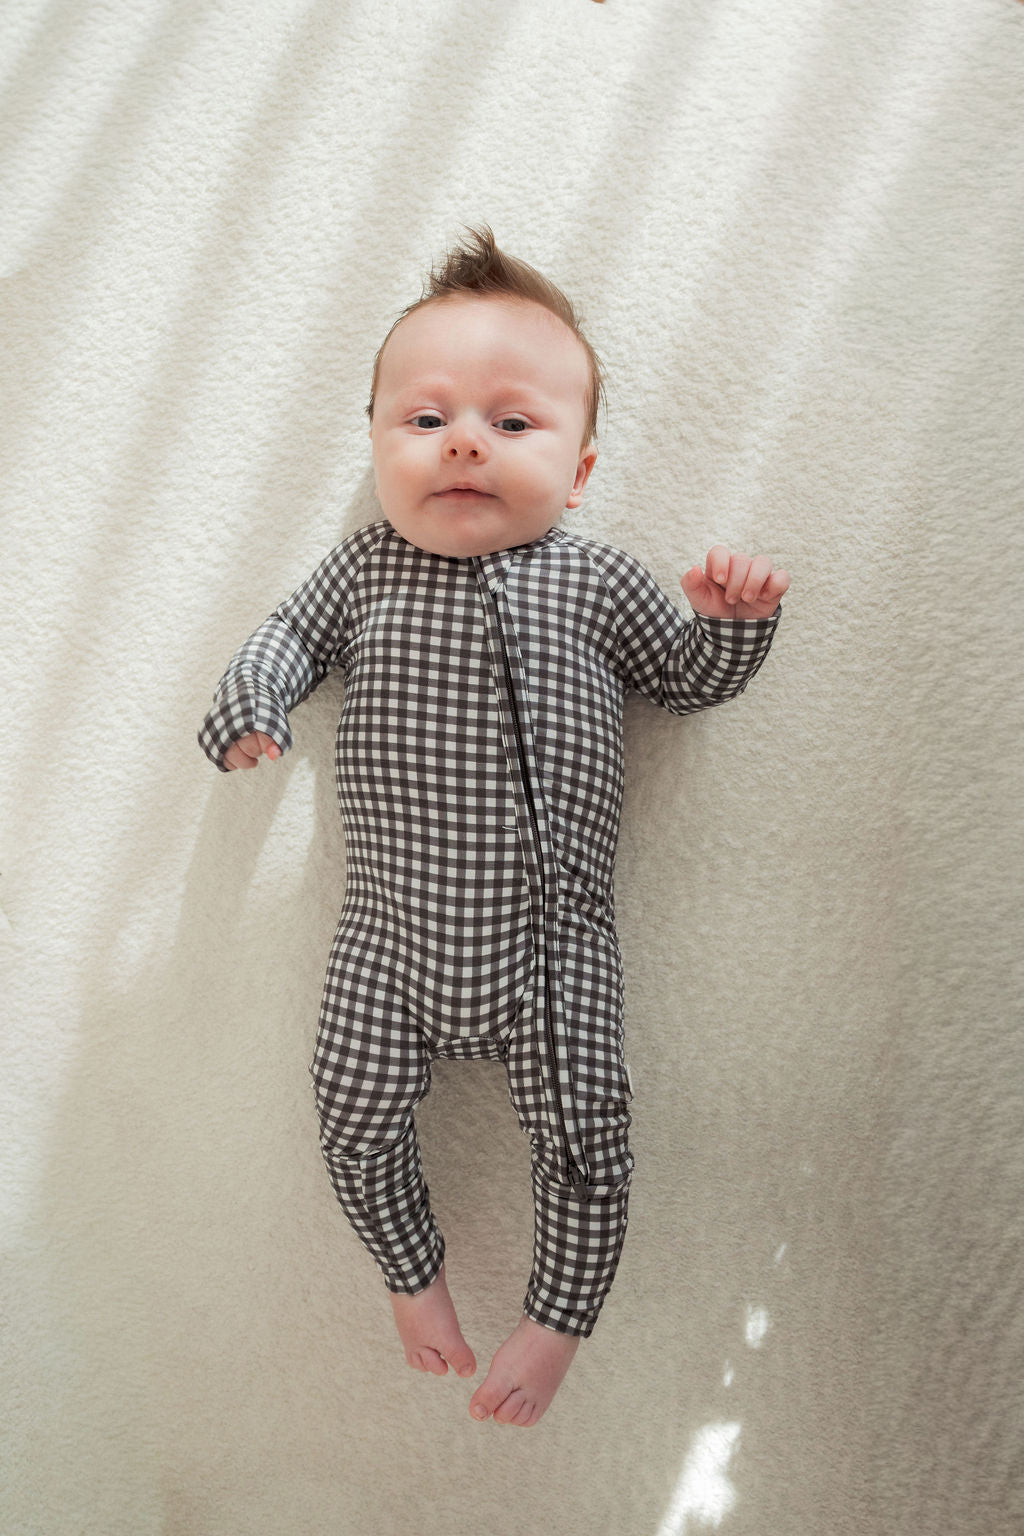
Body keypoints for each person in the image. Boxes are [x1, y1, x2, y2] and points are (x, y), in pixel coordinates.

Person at [198, 227, 789, 1428]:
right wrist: (251, 708)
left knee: (587, 1136)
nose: (465, 439)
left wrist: (727, 625)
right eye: (426, 419)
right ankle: (412, 1282)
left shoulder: (598, 580)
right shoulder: (360, 573)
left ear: (575, 474)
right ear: (376, 446)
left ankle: (557, 1319)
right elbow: (278, 645)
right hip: (390, 940)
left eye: (512, 424)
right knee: (351, 1113)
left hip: (554, 951)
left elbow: (682, 681)